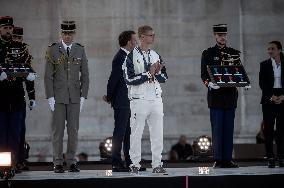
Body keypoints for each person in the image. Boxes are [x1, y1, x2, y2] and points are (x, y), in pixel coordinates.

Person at [44, 20, 89, 173]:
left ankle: (71, 162)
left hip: (75, 97)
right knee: (57, 131)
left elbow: (86, 75)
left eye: (70, 33)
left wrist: (84, 96)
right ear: (61, 33)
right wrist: (50, 96)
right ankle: (57, 162)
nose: (68, 36)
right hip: (58, 97)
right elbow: (48, 76)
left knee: (73, 131)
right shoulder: (53, 50)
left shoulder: (80, 50)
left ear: (74, 33)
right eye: (65, 33)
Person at [124, 25, 168, 174]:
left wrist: (155, 73)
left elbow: (165, 77)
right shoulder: (130, 56)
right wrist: (147, 74)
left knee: (157, 133)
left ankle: (157, 164)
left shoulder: (156, 55)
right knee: (136, 133)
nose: (153, 38)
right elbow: (128, 79)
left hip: (155, 98)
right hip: (139, 99)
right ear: (142, 37)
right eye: (150, 35)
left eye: (153, 35)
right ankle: (134, 164)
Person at [201, 24, 243, 168]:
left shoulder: (234, 53)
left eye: (224, 35)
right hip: (216, 97)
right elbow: (203, 74)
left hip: (230, 95)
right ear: (215, 36)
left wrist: (243, 82)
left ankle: (227, 158)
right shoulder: (208, 53)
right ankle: (218, 159)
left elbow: (239, 72)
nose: (222, 38)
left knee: (229, 128)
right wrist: (209, 84)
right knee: (217, 129)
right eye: (219, 35)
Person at [0, 16, 36, 172]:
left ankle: (13, 163)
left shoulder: (20, 48)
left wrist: (31, 95)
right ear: (0, 29)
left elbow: (26, 69)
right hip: (0, 98)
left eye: (10, 28)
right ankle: (3, 165)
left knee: (15, 134)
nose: (8, 31)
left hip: (16, 97)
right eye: (5, 28)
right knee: (2, 135)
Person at [103, 30, 137, 172]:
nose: (136, 42)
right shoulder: (120, 57)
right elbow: (114, 79)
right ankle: (116, 162)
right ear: (129, 42)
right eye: (134, 40)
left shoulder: (129, 56)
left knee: (129, 133)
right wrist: (109, 96)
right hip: (122, 102)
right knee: (120, 133)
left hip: (130, 101)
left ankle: (130, 162)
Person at [12, 26, 36, 171]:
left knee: (21, 130)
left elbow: (29, 78)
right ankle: (11, 162)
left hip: (18, 96)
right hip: (5, 96)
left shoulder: (24, 53)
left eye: (19, 38)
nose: (17, 40)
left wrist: (32, 97)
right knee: (9, 132)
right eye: (15, 37)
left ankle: (20, 160)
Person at [259, 41, 284, 168]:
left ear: (279, 50)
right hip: (269, 100)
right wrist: (271, 96)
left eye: (272, 49)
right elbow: (262, 84)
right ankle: (270, 157)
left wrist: (283, 97)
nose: (269, 51)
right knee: (268, 130)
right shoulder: (264, 64)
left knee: (281, 130)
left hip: (283, 99)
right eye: (268, 49)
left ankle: (281, 157)